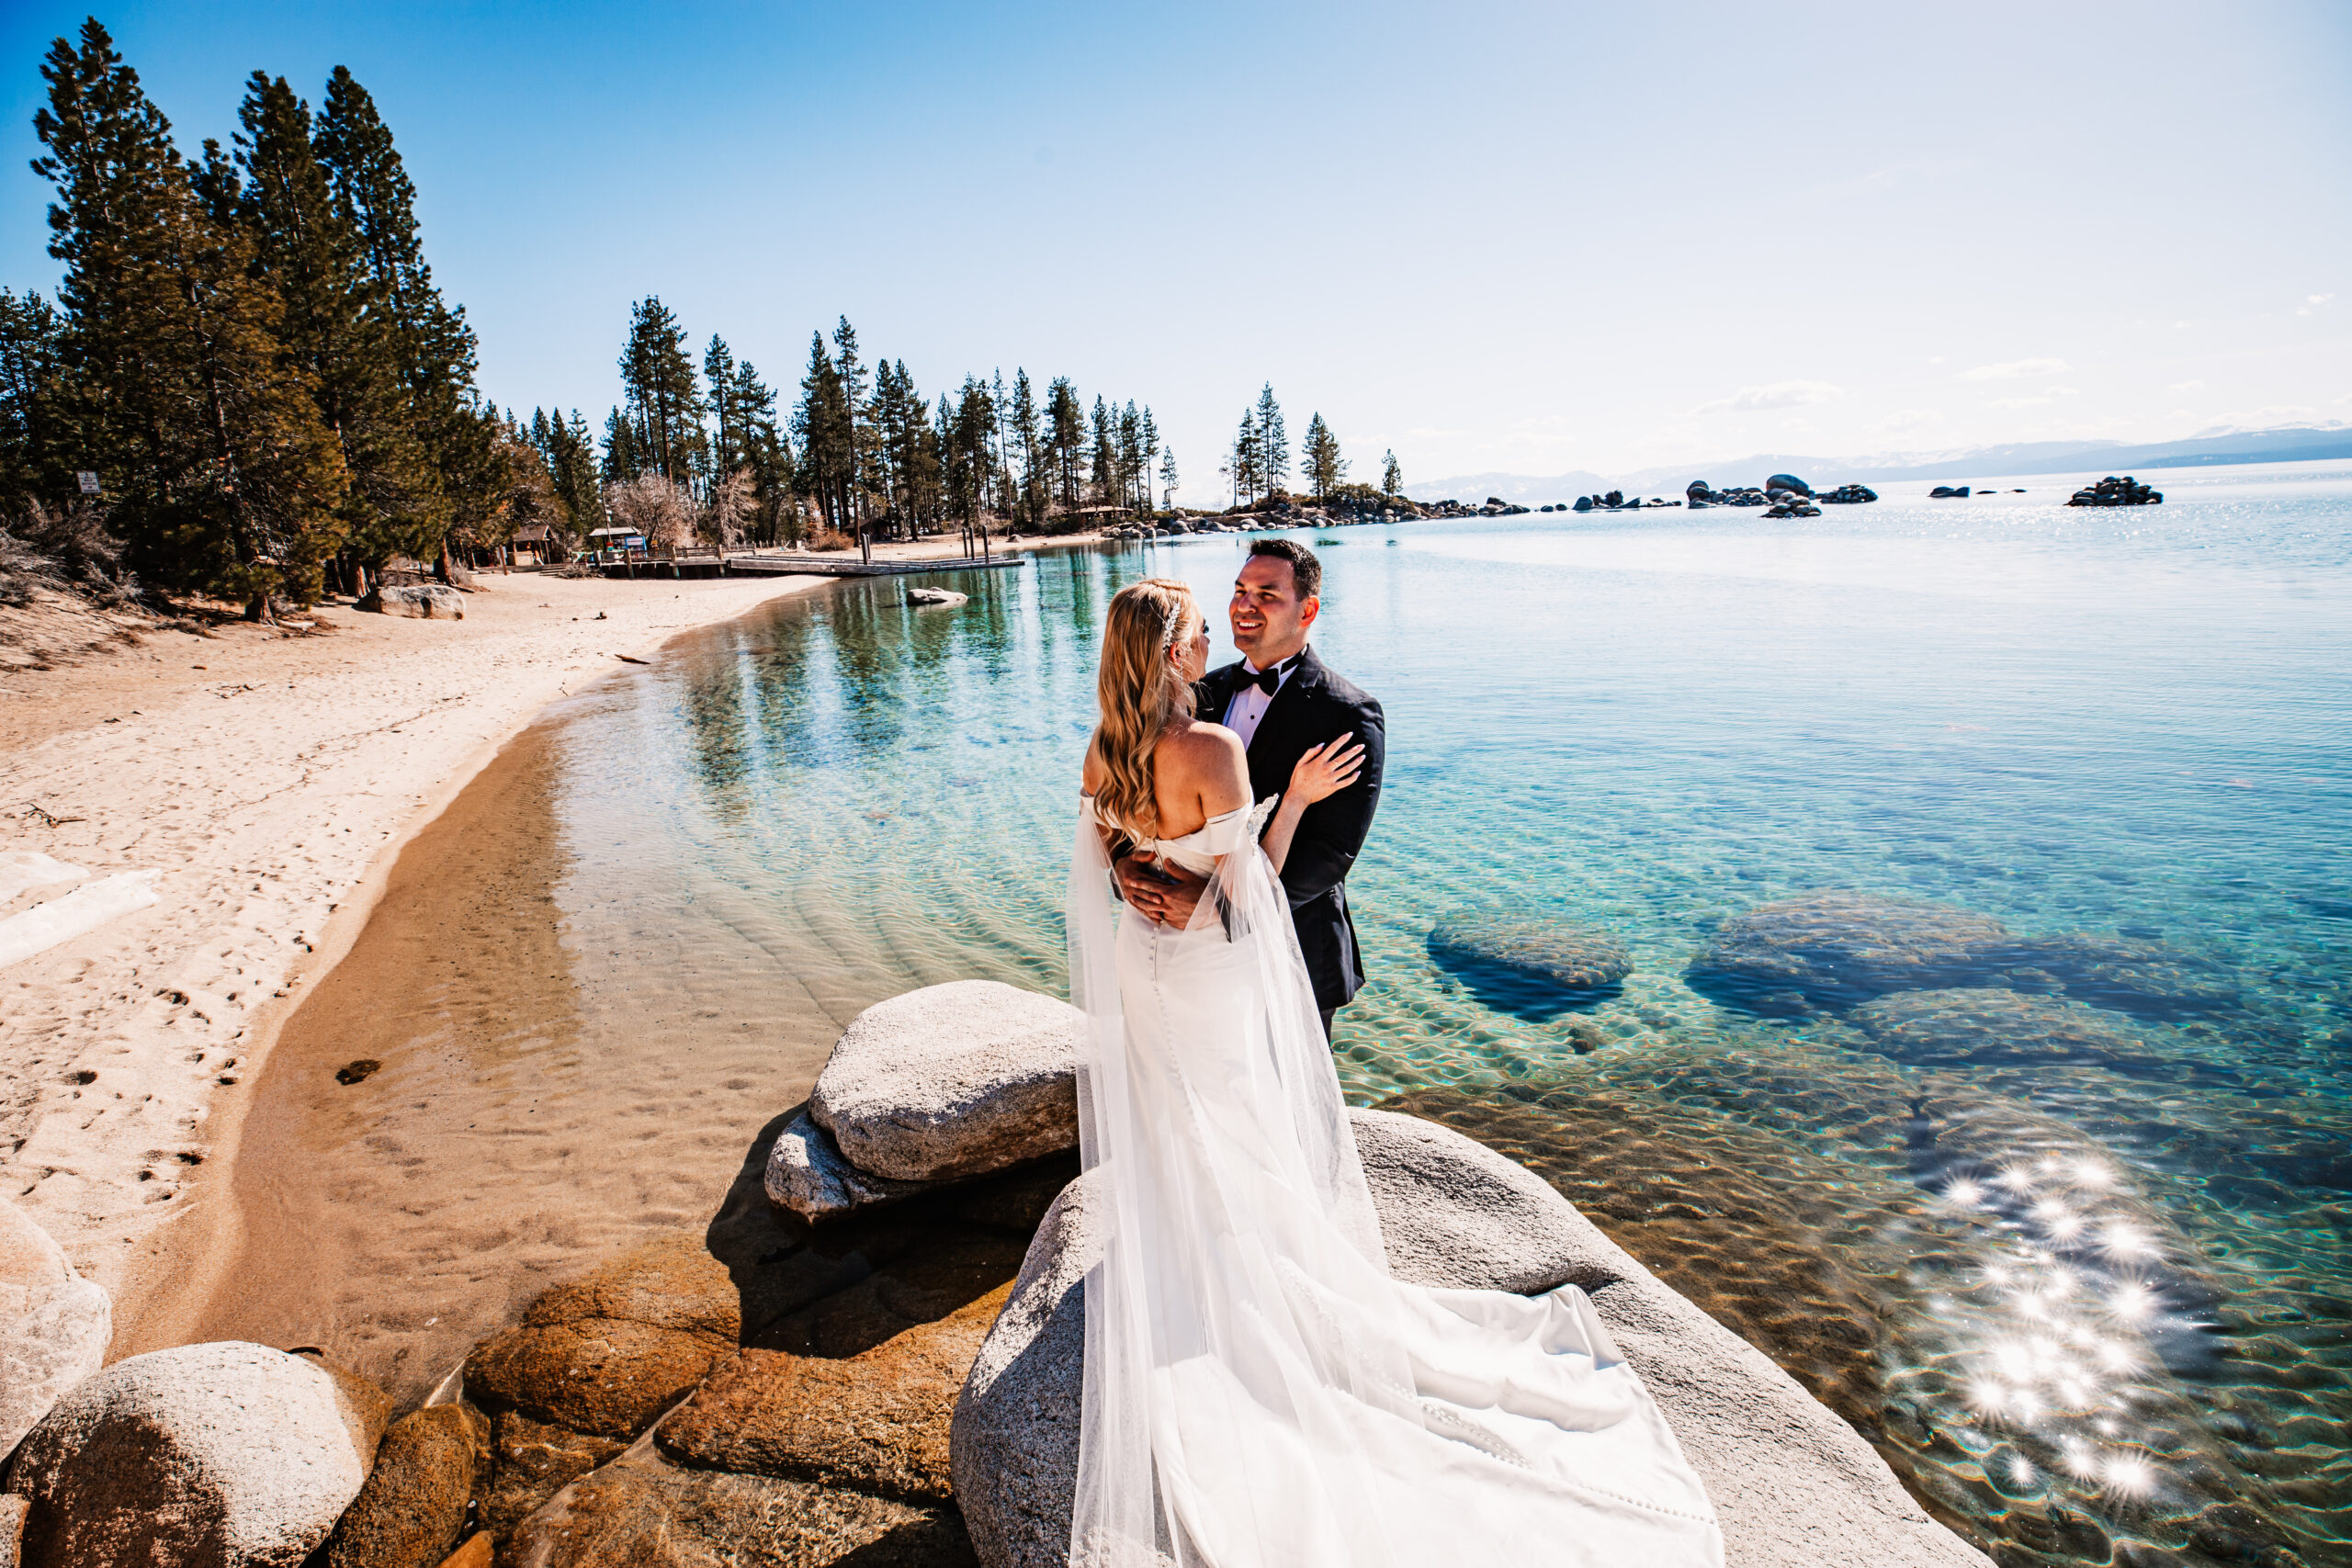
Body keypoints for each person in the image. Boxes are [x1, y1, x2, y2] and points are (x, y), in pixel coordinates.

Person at [1067, 577, 1722, 1567]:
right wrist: (1289, 802)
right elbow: (1248, 900)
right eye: (1200, 630)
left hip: (1142, 966)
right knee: (1242, 1116)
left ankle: (1190, 1268)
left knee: (1176, 1115)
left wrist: (1139, 869)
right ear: (1168, 655)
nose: (1211, 642)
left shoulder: (1105, 746)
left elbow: (1113, 856)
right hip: (1205, 968)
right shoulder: (1211, 748)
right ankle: (1253, 1285)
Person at [1113, 539, 1382, 1040]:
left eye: (1266, 593)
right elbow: (1142, 792)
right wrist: (1125, 866)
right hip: (1187, 949)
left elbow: (1331, 853)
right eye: (1239, 590)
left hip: (1293, 946)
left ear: (1309, 610)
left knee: (1290, 1112)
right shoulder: (1197, 689)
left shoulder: (1348, 712)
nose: (1244, 605)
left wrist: (1224, 910)